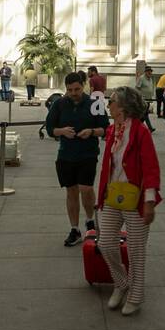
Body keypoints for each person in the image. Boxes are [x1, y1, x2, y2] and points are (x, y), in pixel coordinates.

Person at [95, 86, 162, 315]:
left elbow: (151, 167)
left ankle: (136, 294)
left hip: (136, 199)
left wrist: (150, 201)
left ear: (122, 106)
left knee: (136, 251)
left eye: (111, 100)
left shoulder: (140, 132)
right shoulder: (113, 129)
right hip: (113, 195)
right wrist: (102, 192)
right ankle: (121, 282)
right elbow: (108, 166)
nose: (108, 104)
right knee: (105, 243)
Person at [45, 71, 110, 247]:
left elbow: (105, 128)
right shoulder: (59, 104)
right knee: (71, 191)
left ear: (84, 86)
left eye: (77, 89)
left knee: (86, 188)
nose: (74, 93)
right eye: (70, 90)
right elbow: (50, 128)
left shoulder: (95, 103)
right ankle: (75, 229)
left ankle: (90, 220)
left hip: (88, 153)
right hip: (66, 154)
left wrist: (91, 132)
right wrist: (62, 131)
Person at [135, 65, 156, 131]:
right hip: (143, 99)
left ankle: (138, 126)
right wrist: (139, 97)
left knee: (145, 114)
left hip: (148, 99)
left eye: (151, 71)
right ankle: (146, 127)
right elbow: (137, 87)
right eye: (149, 71)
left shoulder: (150, 79)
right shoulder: (141, 78)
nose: (150, 73)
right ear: (145, 72)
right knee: (144, 113)